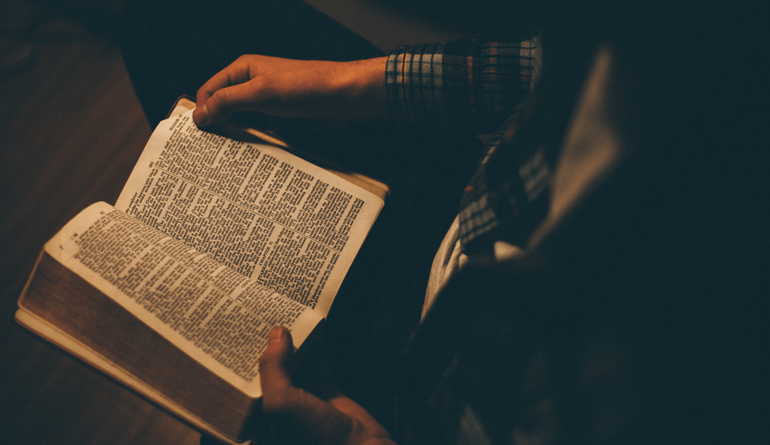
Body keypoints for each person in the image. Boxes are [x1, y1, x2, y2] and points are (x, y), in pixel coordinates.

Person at [121, 1, 767, 444]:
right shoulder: (663, 38)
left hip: (428, 390)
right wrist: (353, 84)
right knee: (167, 18)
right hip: (466, 196)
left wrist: (360, 438)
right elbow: (538, 64)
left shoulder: (681, 347)